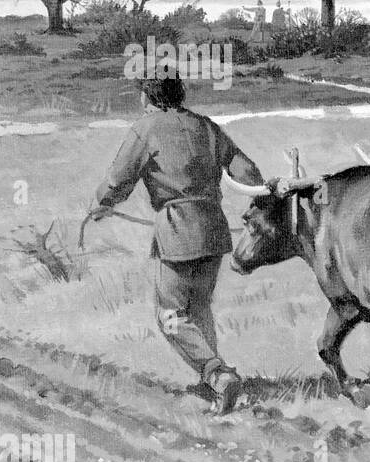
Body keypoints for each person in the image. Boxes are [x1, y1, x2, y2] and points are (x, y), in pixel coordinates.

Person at [89, 73, 265, 414]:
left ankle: (218, 376)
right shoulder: (206, 126)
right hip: (214, 230)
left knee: (169, 315)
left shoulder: (146, 128)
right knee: (199, 308)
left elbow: (118, 179)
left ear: (148, 97)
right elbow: (248, 172)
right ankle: (211, 383)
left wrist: (102, 204)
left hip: (178, 232)